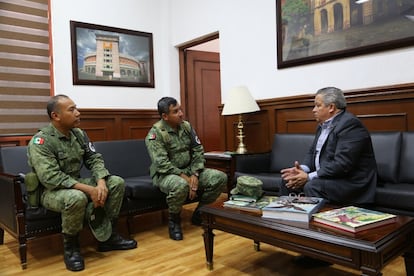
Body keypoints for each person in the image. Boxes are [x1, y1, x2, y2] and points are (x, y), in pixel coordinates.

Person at [27, 95, 137, 272]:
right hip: (50, 191)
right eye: (72, 110)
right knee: (76, 197)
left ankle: (108, 237)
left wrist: (100, 182)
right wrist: (89, 190)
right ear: (56, 116)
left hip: (76, 183)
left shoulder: (78, 134)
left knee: (115, 182)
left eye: (76, 108)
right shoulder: (41, 141)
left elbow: (94, 159)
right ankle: (71, 248)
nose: (78, 113)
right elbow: (51, 177)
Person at [145, 97, 227, 241]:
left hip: (190, 170)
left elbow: (198, 150)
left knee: (219, 178)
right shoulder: (156, 134)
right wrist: (186, 179)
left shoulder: (186, 127)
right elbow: (162, 164)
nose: (181, 114)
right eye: (176, 112)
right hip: (165, 175)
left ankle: (200, 213)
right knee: (180, 185)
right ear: (165, 116)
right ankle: (174, 221)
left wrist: (195, 174)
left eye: (180, 109)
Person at [280, 87, 377, 205]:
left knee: (313, 185)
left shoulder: (350, 124)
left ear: (331, 107)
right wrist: (302, 170)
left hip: (350, 182)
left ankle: (314, 222)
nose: (313, 110)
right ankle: (287, 216)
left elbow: (342, 164)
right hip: (329, 177)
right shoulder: (322, 126)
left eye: (318, 105)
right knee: (288, 179)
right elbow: (312, 153)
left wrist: (309, 177)